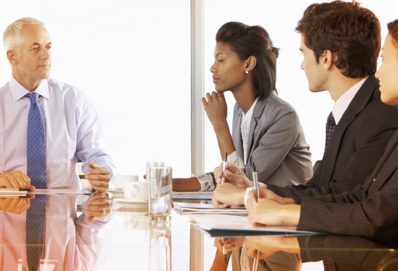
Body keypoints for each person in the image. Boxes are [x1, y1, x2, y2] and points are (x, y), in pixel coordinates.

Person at [212, 1, 398, 207]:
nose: (302, 65)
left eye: (304, 53)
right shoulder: (348, 111)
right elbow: (319, 188)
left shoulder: (382, 114)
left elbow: (346, 197)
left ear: (326, 58)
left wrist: (251, 197)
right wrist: (251, 188)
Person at [242, 18, 398, 245]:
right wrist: (283, 203)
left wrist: (286, 213)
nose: (378, 72)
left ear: (326, 58)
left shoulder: (384, 116)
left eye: (385, 59)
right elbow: (359, 196)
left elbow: (376, 216)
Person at [173, 22, 312, 191]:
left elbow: (243, 179)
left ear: (248, 64)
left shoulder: (283, 116)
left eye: (221, 60)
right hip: (256, 208)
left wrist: (219, 125)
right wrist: (170, 184)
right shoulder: (239, 110)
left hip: (286, 211)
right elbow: (235, 171)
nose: (212, 68)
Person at [0, 17, 116, 192]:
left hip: (64, 210)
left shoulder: (74, 99)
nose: (46, 55)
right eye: (35, 48)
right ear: (13, 57)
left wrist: (102, 171)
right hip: (8, 210)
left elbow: (98, 154)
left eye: (48, 47)